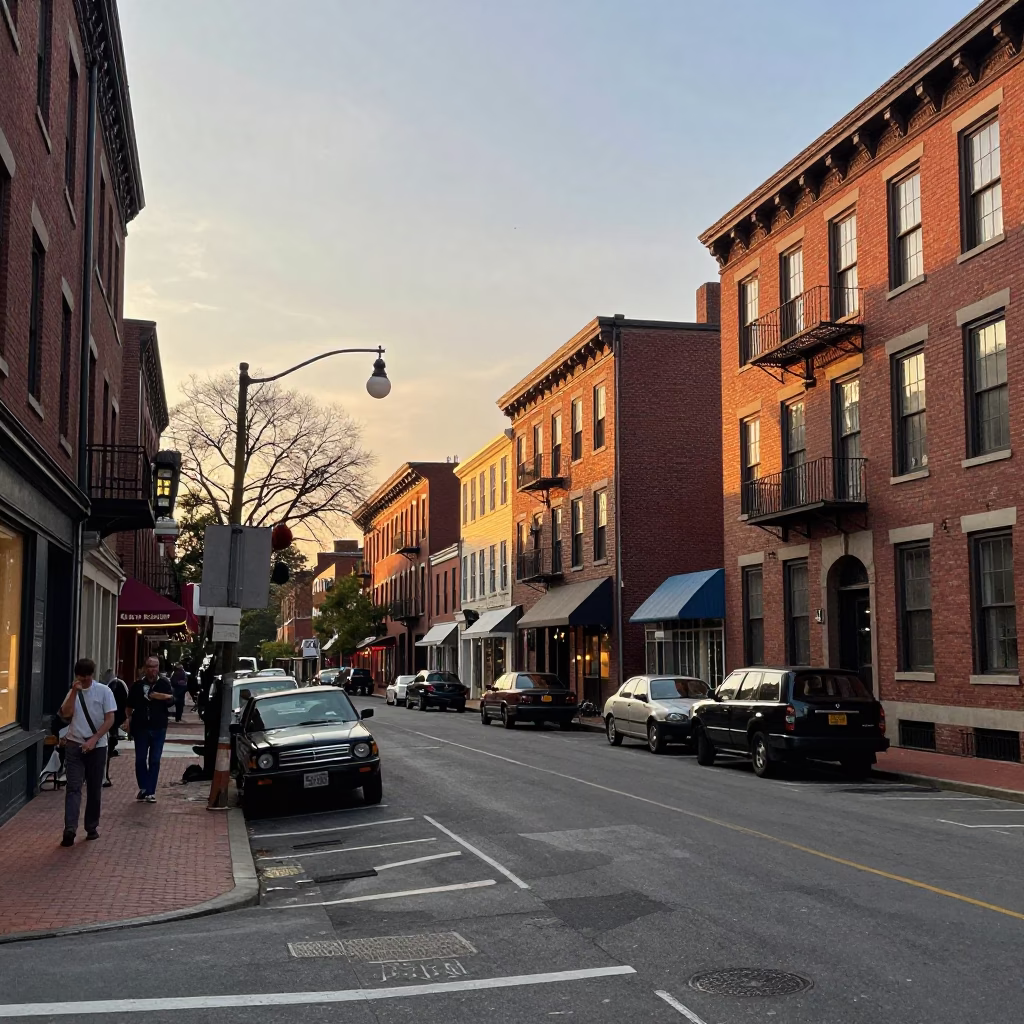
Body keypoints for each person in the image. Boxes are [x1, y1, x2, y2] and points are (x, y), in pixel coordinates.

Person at [59, 658, 116, 846]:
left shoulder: (104, 692)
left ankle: (91, 827)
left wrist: (94, 739)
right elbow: (66, 714)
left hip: (97, 747)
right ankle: (70, 829)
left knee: (94, 788)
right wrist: (74, 692)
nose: (82, 681)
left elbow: (109, 719)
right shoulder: (73, 691)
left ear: (91, 676)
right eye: (79, 678)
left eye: (85, 678)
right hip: (75, 744)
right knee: (73, 787)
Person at [126, 657, 174, 803]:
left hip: (158, 726)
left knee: (155, 759)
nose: (152, 670)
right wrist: (127, 720)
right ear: (144, 668)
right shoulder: (137, 685)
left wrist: (159, 696)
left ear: (158, 668)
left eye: (155, 667)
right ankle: (144, 787)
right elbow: (129, 705)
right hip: (140, 727)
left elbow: (172, 700)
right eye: (149, 667)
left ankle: (150, 791)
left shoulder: (164, 683)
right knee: (140, 759)